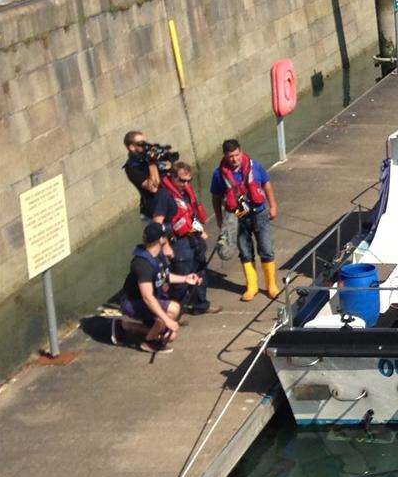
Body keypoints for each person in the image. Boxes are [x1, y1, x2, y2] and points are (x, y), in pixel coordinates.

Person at [210, 139, 280, 301]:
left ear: (241, 152)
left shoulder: (256, 166)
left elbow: (266, 185)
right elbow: (216, 198)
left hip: (259, 213)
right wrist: (220, 220)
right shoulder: (218, 174)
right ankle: (252, 286)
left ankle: (271, 285)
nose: (234, 159)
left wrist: (273, 205)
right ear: (225, 156)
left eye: (236, 155)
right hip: (237, 217)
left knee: (266, 248)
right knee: (245, 251)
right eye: (230, 156)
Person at [117, 222, 198, 353]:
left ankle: (125, 326)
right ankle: (149, 342)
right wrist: (167, 320)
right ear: (160, 239)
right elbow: (147, 297)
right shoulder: (142, 264)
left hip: (148, 301)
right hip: (133, 302)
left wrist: (186, 279)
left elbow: (164, 276)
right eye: (165, 235)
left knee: (170, 336)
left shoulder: (157, 255)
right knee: (173, 308)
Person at [161, 161, 219, 314]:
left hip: (193, 237)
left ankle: (201, 305)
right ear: (173, 177)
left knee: (200, 271)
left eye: (188, 180)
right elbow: (161, 224)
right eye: (182, 180)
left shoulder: (185, 191)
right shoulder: (164, 196)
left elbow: (191, 213)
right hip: (178, 242)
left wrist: (200, 230)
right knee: (181, 278)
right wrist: (165, 244)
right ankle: (174, 311)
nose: (185, 184)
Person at [122, 130, 161, 221]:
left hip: (169, 203)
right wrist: (152, 163)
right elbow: (153, 188)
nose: (146, 145)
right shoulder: (131, 168)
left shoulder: (147, 158)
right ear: (132, 147)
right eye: (141, 143)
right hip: (154, 211)